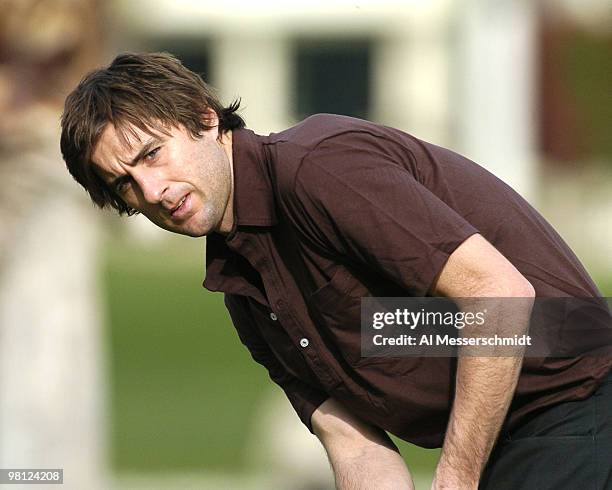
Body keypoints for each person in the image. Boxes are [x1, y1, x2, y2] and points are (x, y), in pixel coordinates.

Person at [59, 52, 612, 489]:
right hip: (523, 435)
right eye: (124, 183)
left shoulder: (317, 168)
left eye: (152, 154)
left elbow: (499, 293)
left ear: (205, 119)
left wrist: (457, 479)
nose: (151, 192)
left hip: (578, 391)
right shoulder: (243, 288)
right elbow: (356, 446)